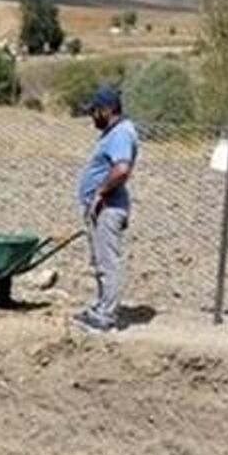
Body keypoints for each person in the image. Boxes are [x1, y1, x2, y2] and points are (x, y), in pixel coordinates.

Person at [74, 85, 139, 333]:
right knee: (100, 261)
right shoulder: (114, 132)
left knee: (107, 262)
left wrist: (100, 192)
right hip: (102, 208)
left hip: (108, 208)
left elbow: (122, 169)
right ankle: (101, 307)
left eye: (95, 111)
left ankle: (106, 316)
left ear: (108, 109)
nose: (92, 116)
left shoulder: (121, 133)